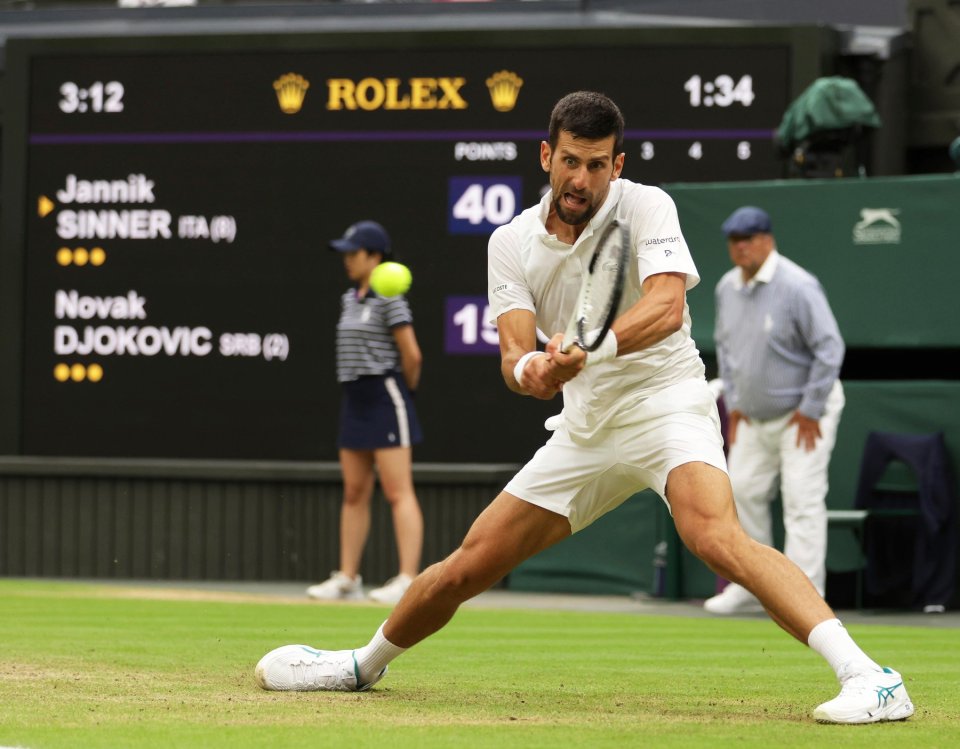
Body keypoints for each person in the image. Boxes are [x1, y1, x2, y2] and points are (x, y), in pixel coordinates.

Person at [257, 92, 913, 724]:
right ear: (546, 156)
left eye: (598, 164)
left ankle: (870, 677)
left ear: (617, 166)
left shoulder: (648, 206)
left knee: (713, 534)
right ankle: (361, 665)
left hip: (667, 404)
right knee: (470, 561)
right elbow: (515, 357)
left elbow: (668, 306)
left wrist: (588, 349)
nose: (582, 178)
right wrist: (535, 369)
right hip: (584, 427)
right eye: (571, 160)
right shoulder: (510, 243)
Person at [704, 206, 846, 615]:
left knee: (801, 499)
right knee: (742, 492)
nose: (741, 247)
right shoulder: (726, 288)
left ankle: (805, 597)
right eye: (734, 241)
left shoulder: (798, 285)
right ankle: (754, 588)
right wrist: (736, 401)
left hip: (804, 415)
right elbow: (728, 351)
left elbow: (829, 347)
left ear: (767, 240)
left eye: (748, 239)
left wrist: (811, 408)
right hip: (752, 416)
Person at [305, 220, 425, 606]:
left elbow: (413, 356)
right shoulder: (348, 297)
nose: (347, 260)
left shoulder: (390, 298)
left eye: (353, 253)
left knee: (397, 490)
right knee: (354, 492)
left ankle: (408, 578)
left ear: (375, 256)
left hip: (385, 394)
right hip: (354, 399)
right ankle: (348, 578)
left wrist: (401, 392)